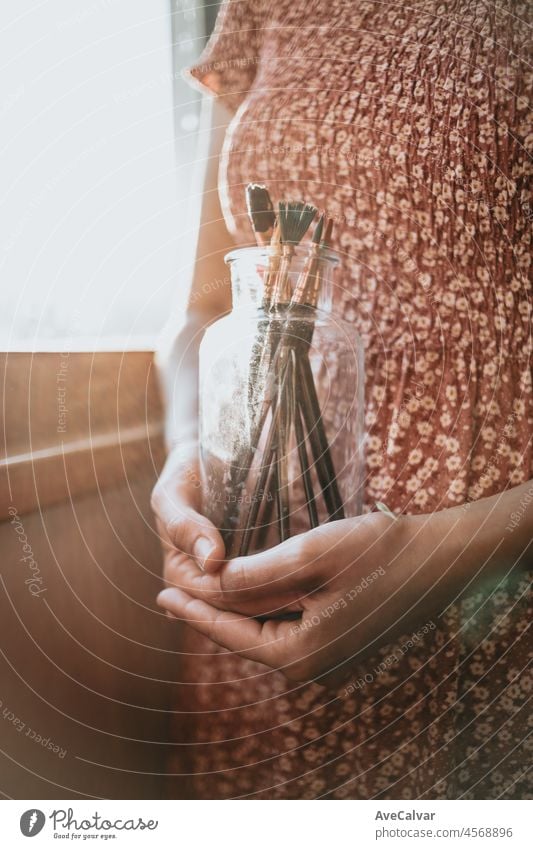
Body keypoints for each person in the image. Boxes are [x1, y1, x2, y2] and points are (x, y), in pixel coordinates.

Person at [151, 0, 532, 798]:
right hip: (267, 561)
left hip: (495, 580)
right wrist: (191, 446)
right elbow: (199, 309)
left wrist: (442, 553)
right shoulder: (258, 9)